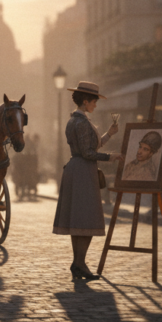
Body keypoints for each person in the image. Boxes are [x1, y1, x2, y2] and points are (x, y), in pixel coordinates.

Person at [52, 81, 123, 281]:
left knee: (79, 220)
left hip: (78, 169)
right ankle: (80, 263)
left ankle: (78, 263)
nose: (96, 105)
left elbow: (91, 145)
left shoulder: (75, 120)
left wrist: (109, 133)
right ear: (85, 101)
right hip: (82, 171)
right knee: (87, 218)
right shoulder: (82, 122)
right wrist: (111, 156)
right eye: (94, 101)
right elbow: (88, 152)